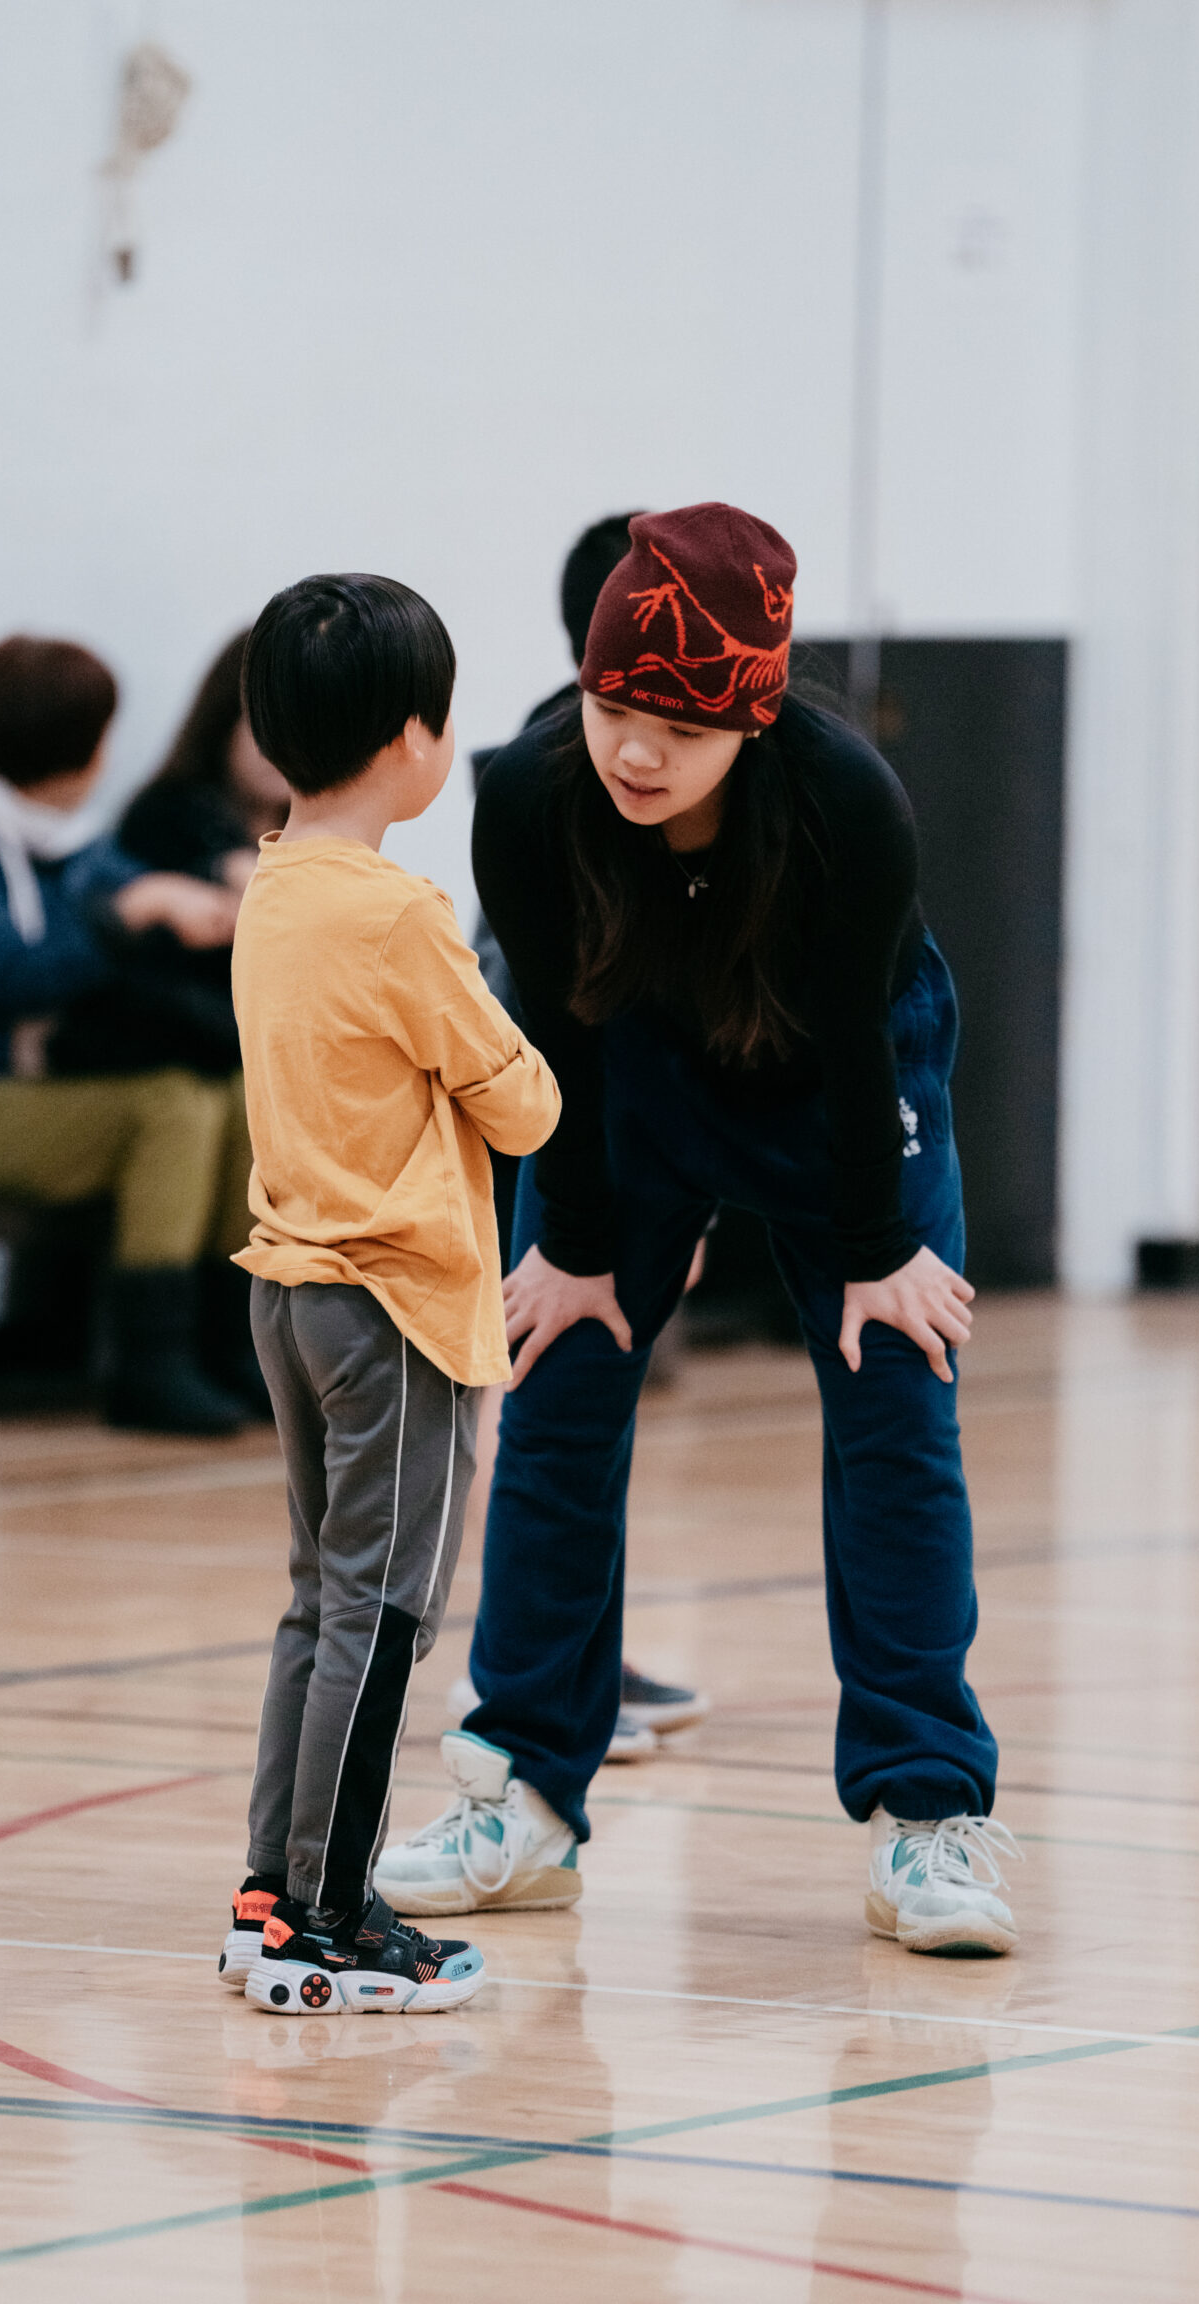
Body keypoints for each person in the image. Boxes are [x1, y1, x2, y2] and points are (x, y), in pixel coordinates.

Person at [378, 504, 1021, 1958]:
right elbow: (557, 1033)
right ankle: (525, 1795)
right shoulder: (533, 794)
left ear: (750, 713)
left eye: (674, 718)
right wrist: (582, 1247)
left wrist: (872, 1250)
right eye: (613, 704)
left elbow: (856, 1041)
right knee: (548, 1385)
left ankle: (927, 1816)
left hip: (840, 1085)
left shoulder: (846, 803)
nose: (633, 750)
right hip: (623, 1072)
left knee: (897, 1412)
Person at [215, 573, 560, 2014]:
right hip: (392, 1311)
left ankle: (272, 1897)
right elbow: (525, 1106)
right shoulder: (400, 916)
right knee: (384, 1613)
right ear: (414, 738)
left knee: (320, 1607)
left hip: (288, 1296)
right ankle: (331, 1919)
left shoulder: (272, 888)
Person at [0, 634, 257, 1437]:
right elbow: (9, 971)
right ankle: (150, 1360)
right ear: (70, 750)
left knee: (240, 1095)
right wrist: (133, 915)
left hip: (27, 1098)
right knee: (170, 1106)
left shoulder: (50, 837)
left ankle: (231, 1343)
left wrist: (207, 894)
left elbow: (117, 884)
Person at [464, 512, 711, 1761]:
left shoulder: (689, 772)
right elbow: (529, 996)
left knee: (582, 1394)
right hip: (531, 1114)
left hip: (603, 1120)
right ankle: (536, 1679)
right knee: (544, 1396)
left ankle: (582, 1658)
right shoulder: (543, 777)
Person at [46, 632, 294, 1411]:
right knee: (215, 1102)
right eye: (261, 723)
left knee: (257, 1102)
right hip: (144, 1047)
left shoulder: (298, 832)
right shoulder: (172, 812)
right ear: (220, 721)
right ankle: (161, 1354)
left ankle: (234, 1341)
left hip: (213, 1052)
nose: (276, 748)